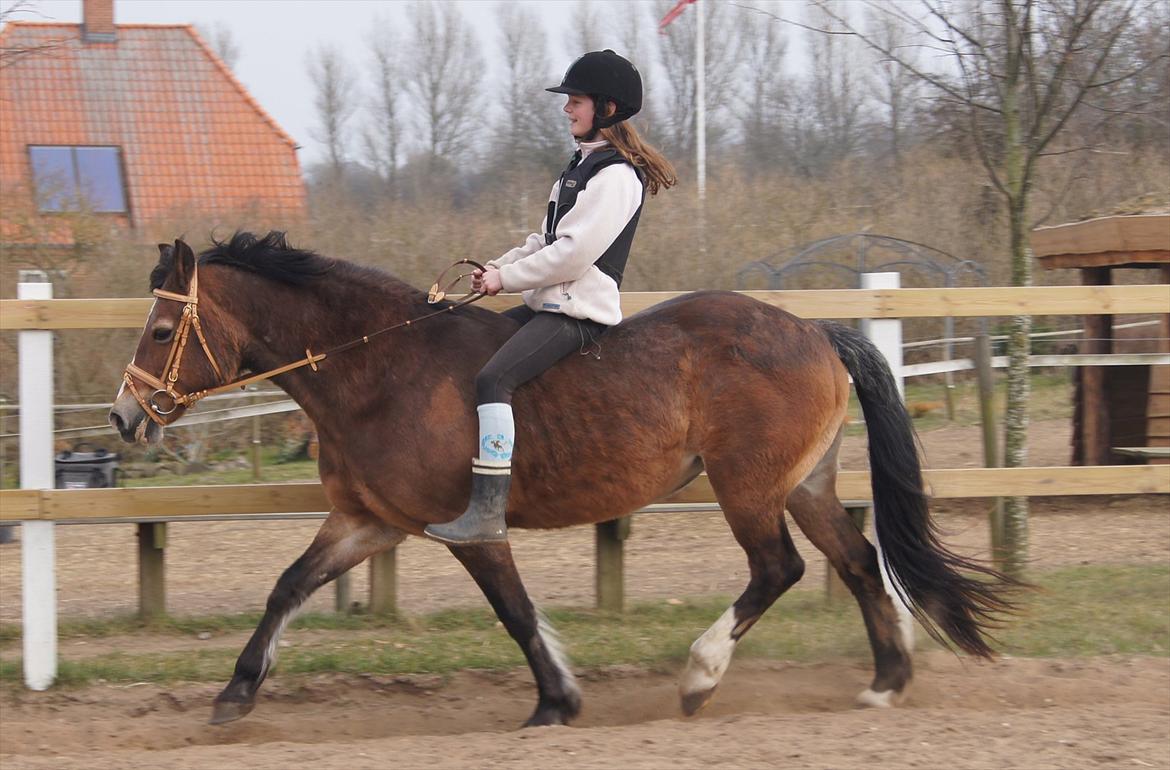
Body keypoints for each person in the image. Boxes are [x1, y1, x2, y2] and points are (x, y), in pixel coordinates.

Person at [425, 49, 677, 545]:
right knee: (468, 343)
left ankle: (488, 509)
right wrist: (497, 268)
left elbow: (572, 256)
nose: (567, 109)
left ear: (606, 108)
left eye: (575, 101)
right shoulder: (577, 169)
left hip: (579, 315)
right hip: (548, 306)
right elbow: (543, 241)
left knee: (493, 377)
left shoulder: (616, 177)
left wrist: (507, 282)